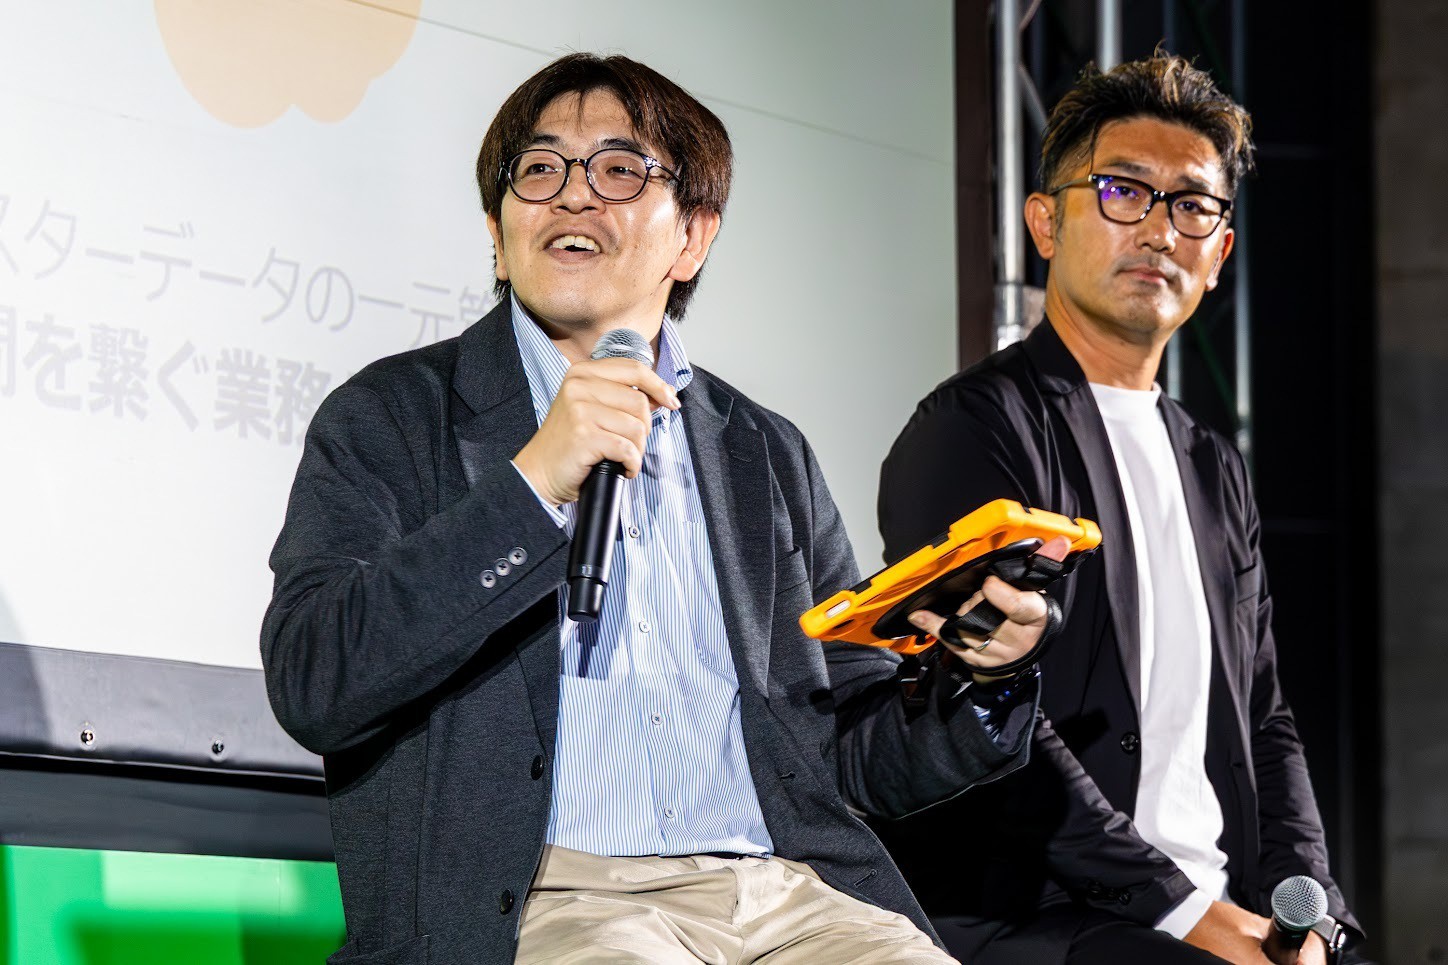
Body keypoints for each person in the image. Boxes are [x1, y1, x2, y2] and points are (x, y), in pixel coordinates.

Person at [261, 52, 1064, 964]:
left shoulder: (763, 451)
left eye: (618, 169)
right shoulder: (392, 416)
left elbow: (849, 748)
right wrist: (532, 486)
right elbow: (315, 680)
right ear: (497, 231)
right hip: (540, 900)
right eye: (539, 169)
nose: (572, 195)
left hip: (783, 898)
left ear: (694, 236)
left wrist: (986, 674)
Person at [876, 54, 1366, 965]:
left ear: (1219, 254)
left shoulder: (1213, 463)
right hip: (1038, 912)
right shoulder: (971, 430)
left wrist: (1308, 907)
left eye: (1192, 206)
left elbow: (1263, 715)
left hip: (1212, 906)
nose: (1159, 230)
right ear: (1045, 223)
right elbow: (992, 723)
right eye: (1122, 191)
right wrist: (1187, 914)